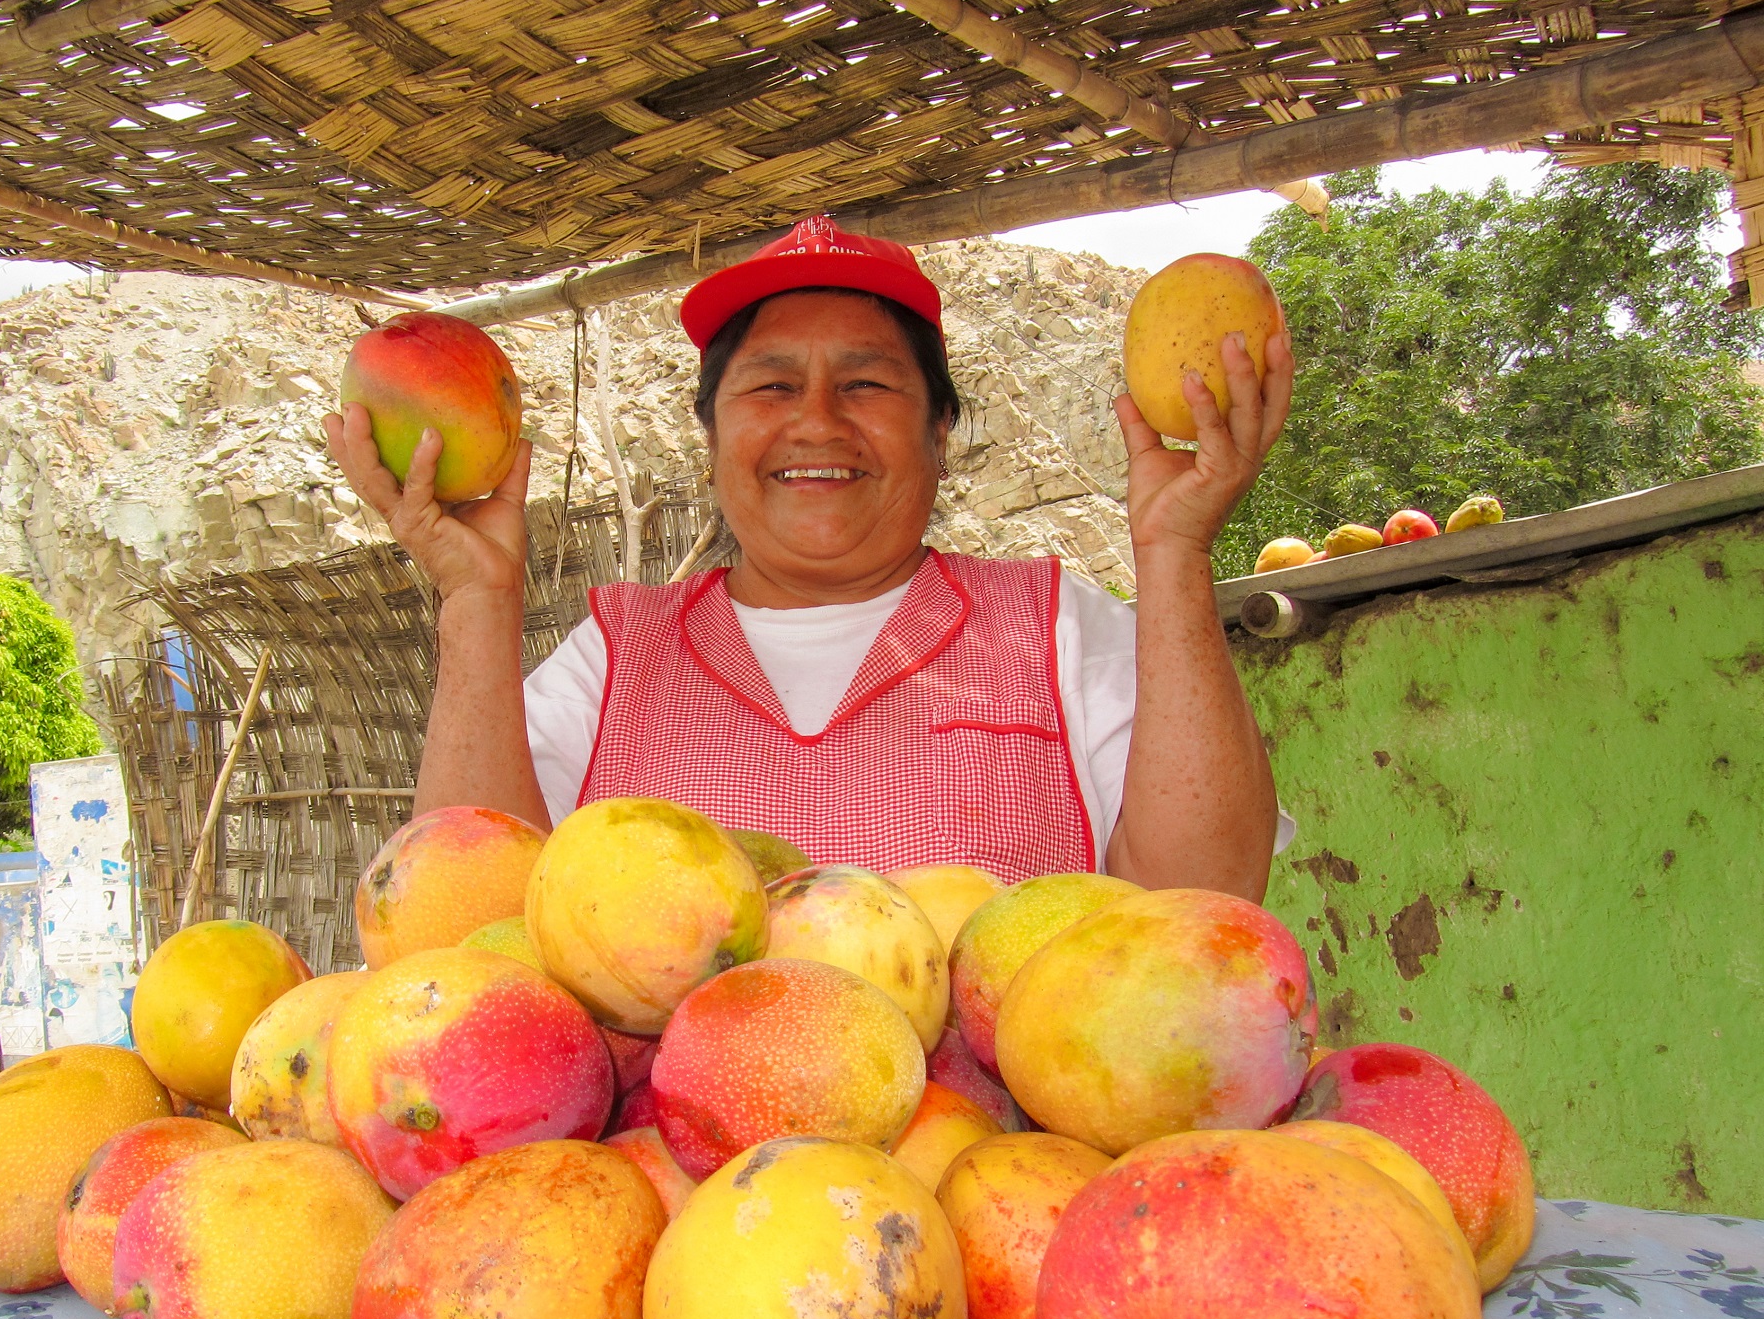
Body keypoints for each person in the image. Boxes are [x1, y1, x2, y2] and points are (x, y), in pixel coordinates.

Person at [325, 217, 1293, 899]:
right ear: (710, 435)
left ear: (940, 430)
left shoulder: (1056, 631)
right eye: (771, 386)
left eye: (867, 383)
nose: (816, 423)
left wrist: (1173, 550)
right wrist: (475, 597)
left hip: (998, 1184)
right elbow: (462, 919)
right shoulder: (615, 660)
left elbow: (1201, 904)